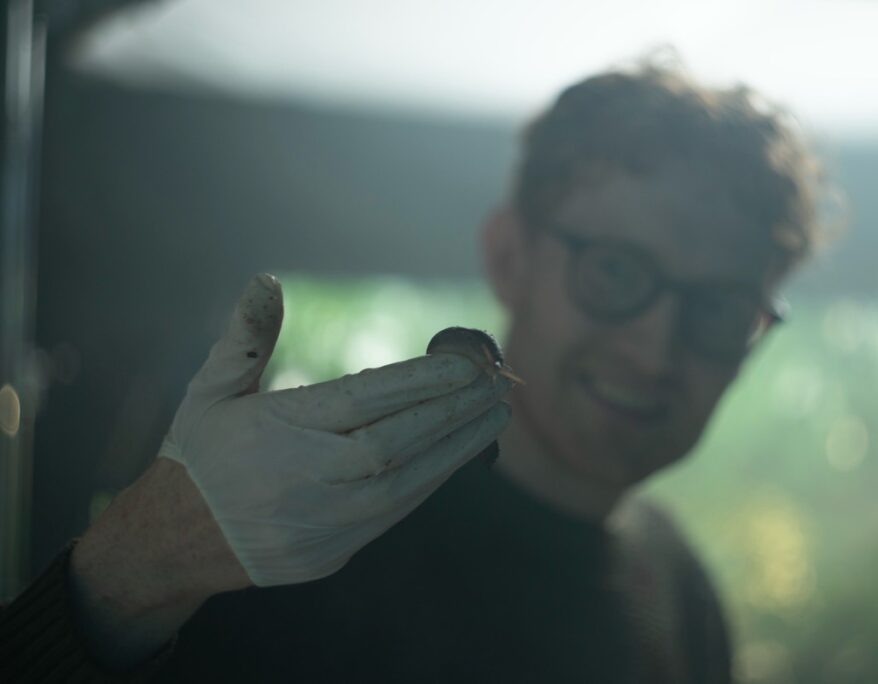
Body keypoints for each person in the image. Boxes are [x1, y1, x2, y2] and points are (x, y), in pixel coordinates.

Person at [0, 59, 826, 682]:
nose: (656, 348)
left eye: (720, 310)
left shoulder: (683, 590)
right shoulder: (309, 529)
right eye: (613, 272)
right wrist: (138, 566)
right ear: (510, 255)